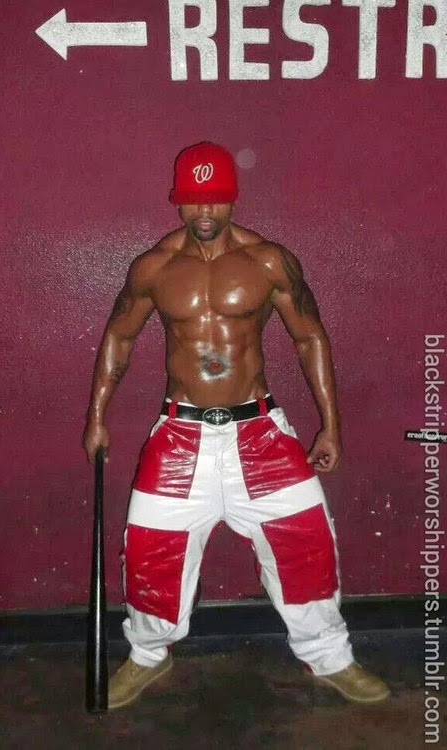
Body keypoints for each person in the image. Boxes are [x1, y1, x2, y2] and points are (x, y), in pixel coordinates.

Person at [83, 142, 390, 710]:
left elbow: (309, 337)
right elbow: (119, 337)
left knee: (306, 545)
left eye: (217, 199)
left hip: (261, 432)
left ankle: (329, 656)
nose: (206, 212)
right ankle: (147, 655)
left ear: (233, 198)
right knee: (150, 551)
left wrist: (331, 426)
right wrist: (96, 417)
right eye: (194, 200)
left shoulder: (269, 262)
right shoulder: (153, 267)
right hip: (180, 436)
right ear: (178, 201)